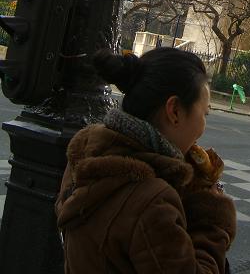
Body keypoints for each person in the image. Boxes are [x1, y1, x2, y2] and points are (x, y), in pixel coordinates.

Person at [56, 48, 236, 273]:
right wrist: (212, 218)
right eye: (204, 114)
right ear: (174, 111)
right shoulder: (152, 202)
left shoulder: (87, 154)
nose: (203, 127)